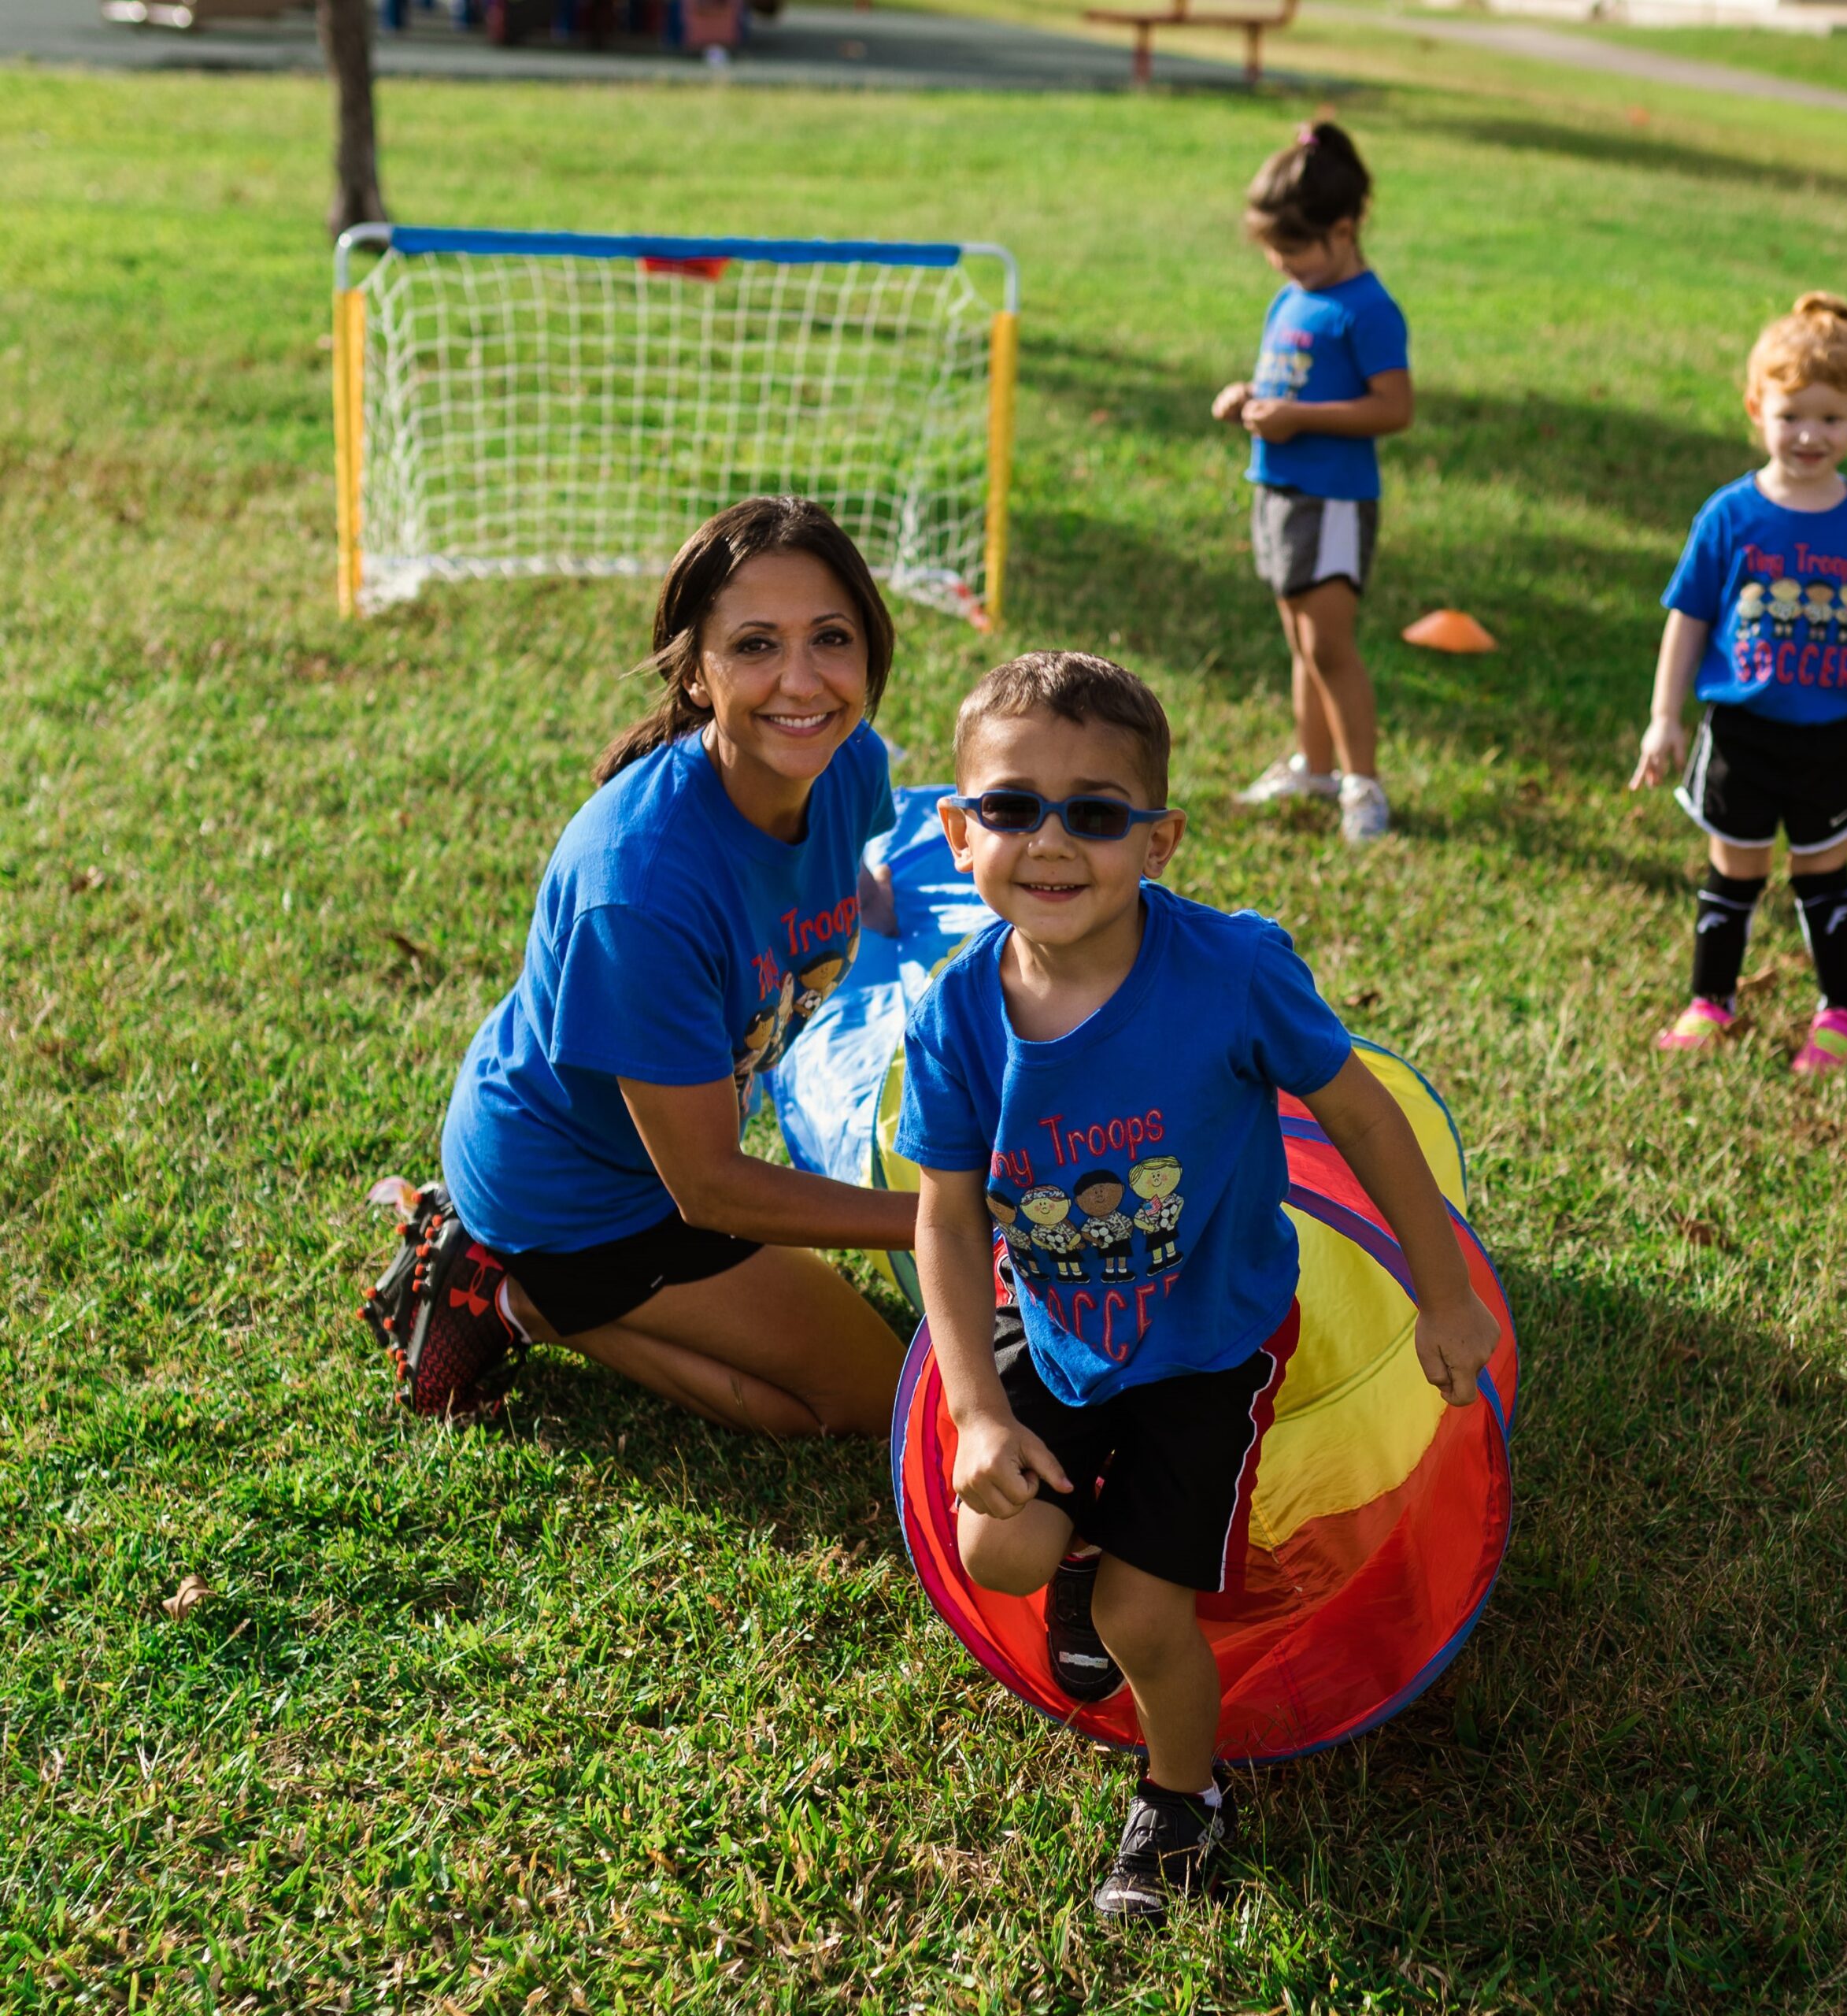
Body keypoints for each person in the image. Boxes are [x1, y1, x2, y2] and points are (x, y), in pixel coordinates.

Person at [894, 652, 1498, 1919]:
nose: (1050, 842)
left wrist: (1442, 1298)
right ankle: (1075, 1549)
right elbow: (944, 1215)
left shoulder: (1229, 973)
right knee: (1001, 1551)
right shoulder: (953, 1017)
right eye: (1010, 807)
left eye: (1096, 813)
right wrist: (977, 1410)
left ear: (1156, 839)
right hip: (1051, 1327)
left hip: (1209, 1344)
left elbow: (1369, 1123)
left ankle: (1179, 1797)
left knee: (1142, 1619)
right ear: (955, 832)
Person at [365, 496, 916, 1431]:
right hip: (577, 1192)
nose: (801, 679)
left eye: (831, 638)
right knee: (863, 1402)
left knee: (864, 1383)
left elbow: (846, 875)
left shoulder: (850, 763)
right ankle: (503, 1289)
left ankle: (553, 1290)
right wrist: (937, 1216)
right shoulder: (640, 884)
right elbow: (707, 1188)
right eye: (753, 646)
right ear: (696, 674)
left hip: (663, 1167)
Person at [1631, 294, 1847, 1073]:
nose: (1809, 435)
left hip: (1833, 735)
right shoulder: (1727, 515)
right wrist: (1662, 718)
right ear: (1754, 408)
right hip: (1741, 732)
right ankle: (1710, 1000)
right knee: (1732, 871)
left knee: (1822, 874)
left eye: (1831, 418)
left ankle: (1838, 1015)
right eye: (1791, 414)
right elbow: (1687, 619)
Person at [1214, 120, 1413, 843]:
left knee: (1331, 645)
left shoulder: (1366, 307)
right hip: (1279, 489)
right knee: (1301, 642)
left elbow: (1394, 407)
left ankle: (1364, 784)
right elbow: (1288, 380)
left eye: (1293, 247)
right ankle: (1314, 765)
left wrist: (1297, 418)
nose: (1279, 261)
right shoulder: (1294, 296)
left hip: (1331, 498)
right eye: (1272, 247)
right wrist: (1249, 398)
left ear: (1345, 226)